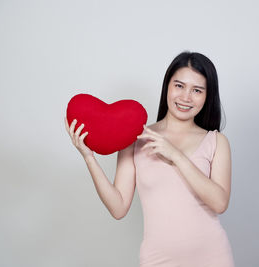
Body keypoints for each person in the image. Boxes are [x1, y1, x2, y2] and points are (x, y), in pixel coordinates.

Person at [65, 51, 235, 267]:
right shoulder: (135, 138)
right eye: (179, 86)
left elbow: (220, 203)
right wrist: (88, 157)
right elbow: (118, 208)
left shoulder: (217, 142)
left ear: (207, 96)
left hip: (212, 257)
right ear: (168, 86)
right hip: (158, 260)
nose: (185, 97)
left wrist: (176, 156)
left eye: (197, 90)